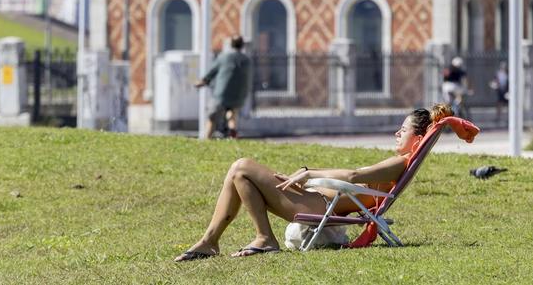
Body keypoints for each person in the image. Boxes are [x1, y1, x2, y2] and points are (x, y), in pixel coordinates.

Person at [174, 103, 454, 262]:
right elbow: (352, 180)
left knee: (241, 166)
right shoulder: (398, 162)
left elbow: (354, 177)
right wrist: (308, 179)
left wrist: (309, 174)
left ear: (417, 138)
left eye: (402, 130)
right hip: (318, 198)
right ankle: (216, 241)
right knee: (239, 174)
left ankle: (256, 239)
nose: (397, 133)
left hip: (320, 205)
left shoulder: (398, 163)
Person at [195, 35, 251, 139]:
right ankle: (233, 133)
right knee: (231, 113)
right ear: (242, 45)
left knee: (212, 117)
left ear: (231, 44)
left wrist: (202, 81)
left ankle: (206, 139)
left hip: (222, 94)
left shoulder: (224, 57)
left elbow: (212, 72)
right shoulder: (246, 60)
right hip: (239, 95)